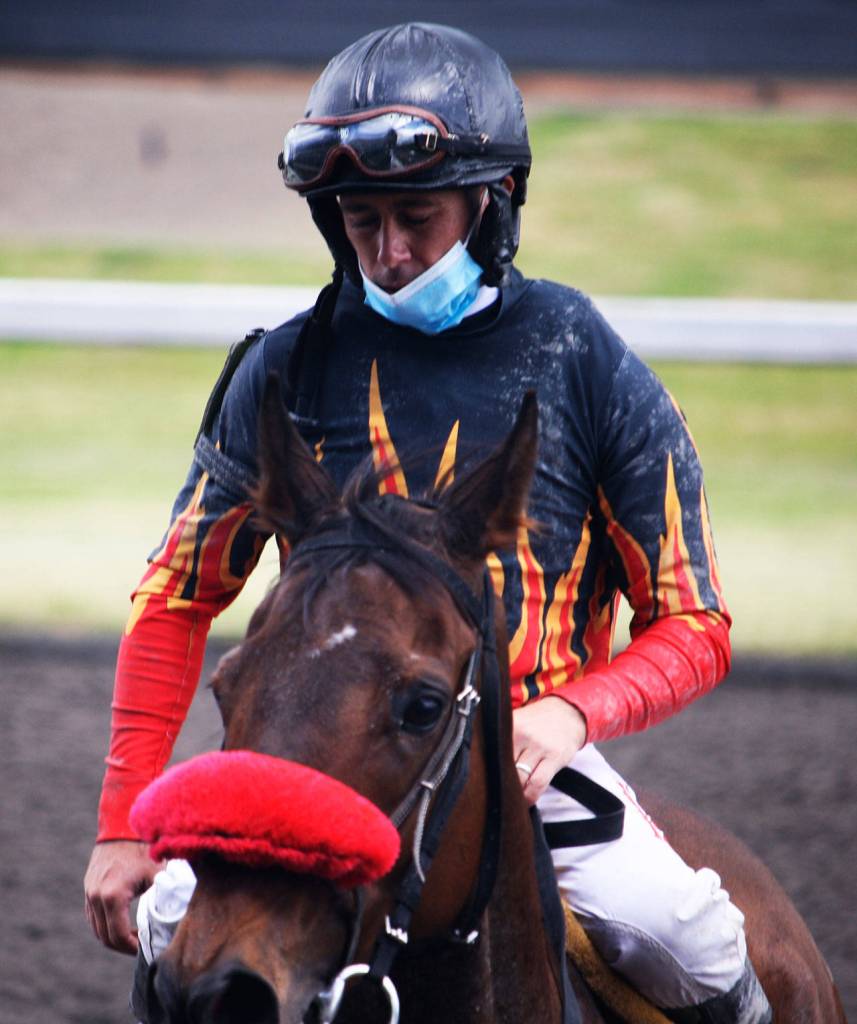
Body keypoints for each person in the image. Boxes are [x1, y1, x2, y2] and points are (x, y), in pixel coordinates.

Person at [84, 22, 772, 1023]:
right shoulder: (282, 367)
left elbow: (694, 623)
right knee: (170, 936)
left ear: (489, 204)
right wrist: (119, 823)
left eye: (417, 215)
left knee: (684, 934)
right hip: (312, 757)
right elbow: (175, 599)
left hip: (525, 757)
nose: (390, 251)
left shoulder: (583, 360)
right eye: (361, 221)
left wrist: (571, 714)